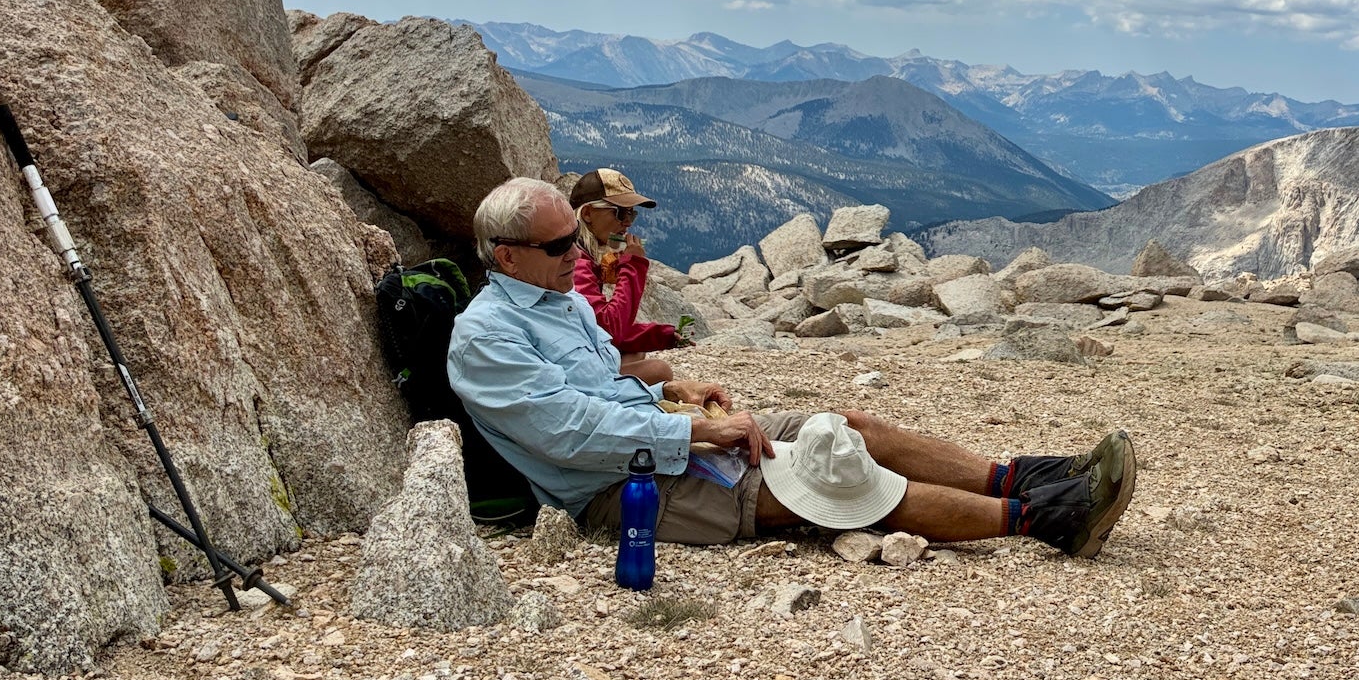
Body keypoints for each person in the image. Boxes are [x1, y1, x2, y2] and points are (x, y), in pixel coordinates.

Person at [448, 177, 1138, 557]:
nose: (578, 252)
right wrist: (695, 434)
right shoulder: (486, 339)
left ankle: (1027, 472)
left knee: (847, 426)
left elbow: (596, 385)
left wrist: (671, 385)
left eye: (576, 236)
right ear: (506, 255)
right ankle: (1046, 518)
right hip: (618, 486)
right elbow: (566, 431)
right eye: (559, 244)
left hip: (661, 433)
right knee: (831, 479)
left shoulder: (552, 298)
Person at [566, 168, 685, 387]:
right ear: (588, 214)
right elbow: (609, 328)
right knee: (660, 371)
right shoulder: (576, 263)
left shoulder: (581, 254)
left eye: (632, 213)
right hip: (568, 364)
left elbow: (599, 328)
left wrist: (660, 336)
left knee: (635, 352)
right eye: (620, 213)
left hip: (576, 349)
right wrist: (633, 266)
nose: (628, 222)